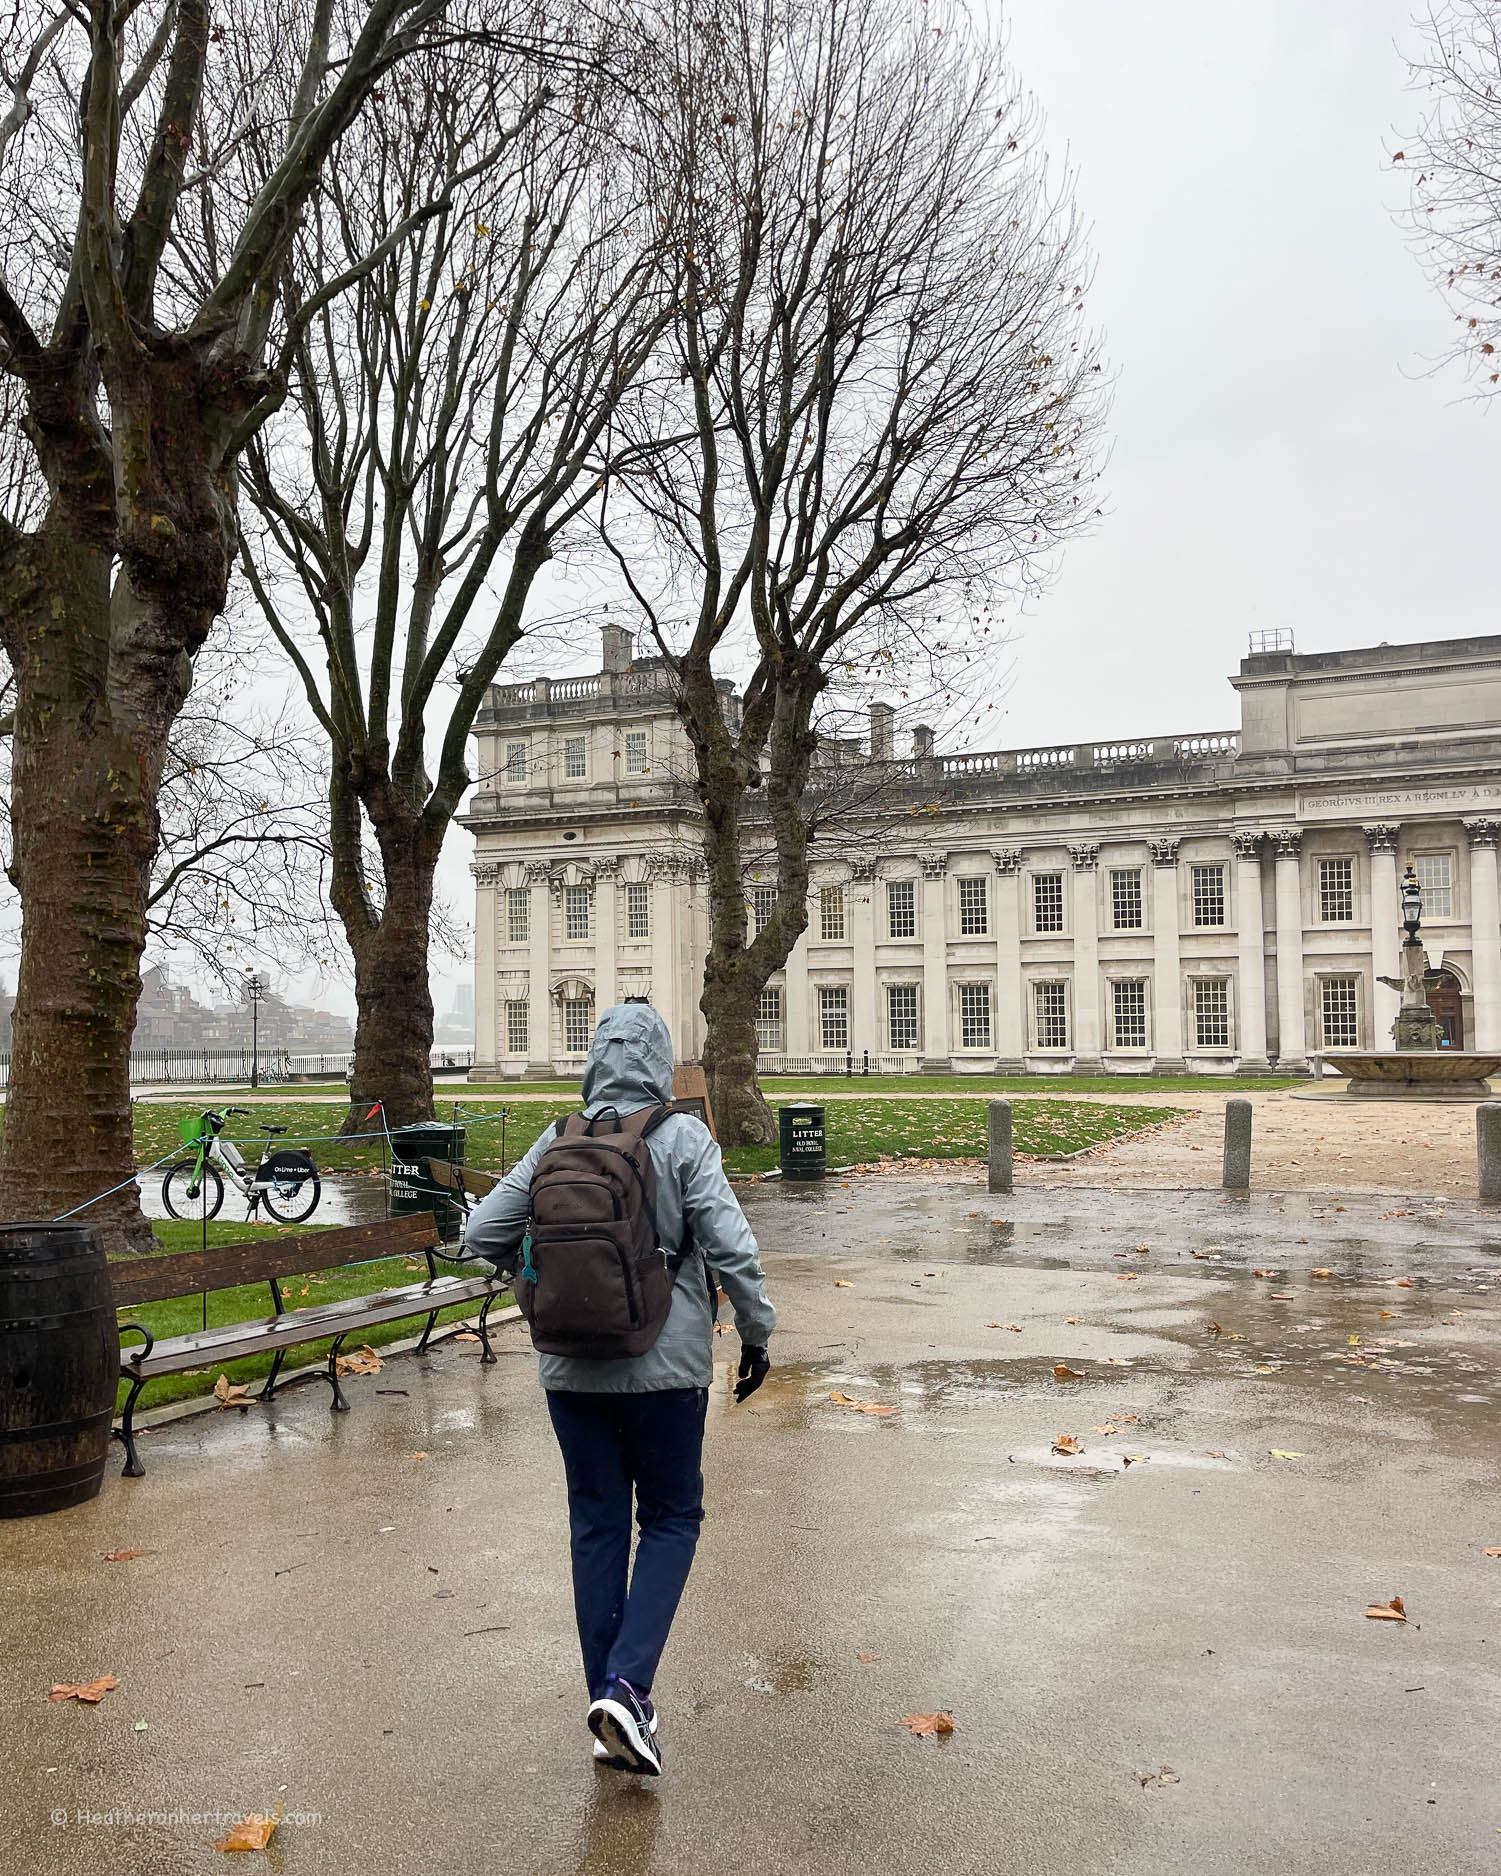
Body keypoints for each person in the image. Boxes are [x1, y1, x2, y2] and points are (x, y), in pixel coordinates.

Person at [465, 1002, 775, 1777]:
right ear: (660, 1062)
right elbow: (732, 1248)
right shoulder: (680, 1137)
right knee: (671, 1518)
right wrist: (758, 1333)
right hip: (665, 1369)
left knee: (596, 1525)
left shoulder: (557, 1138)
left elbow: (480, 1237)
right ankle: (627, 1689)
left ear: (594, 1062)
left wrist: (545, 1286)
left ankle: (609, 1699)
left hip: (570, 1368)